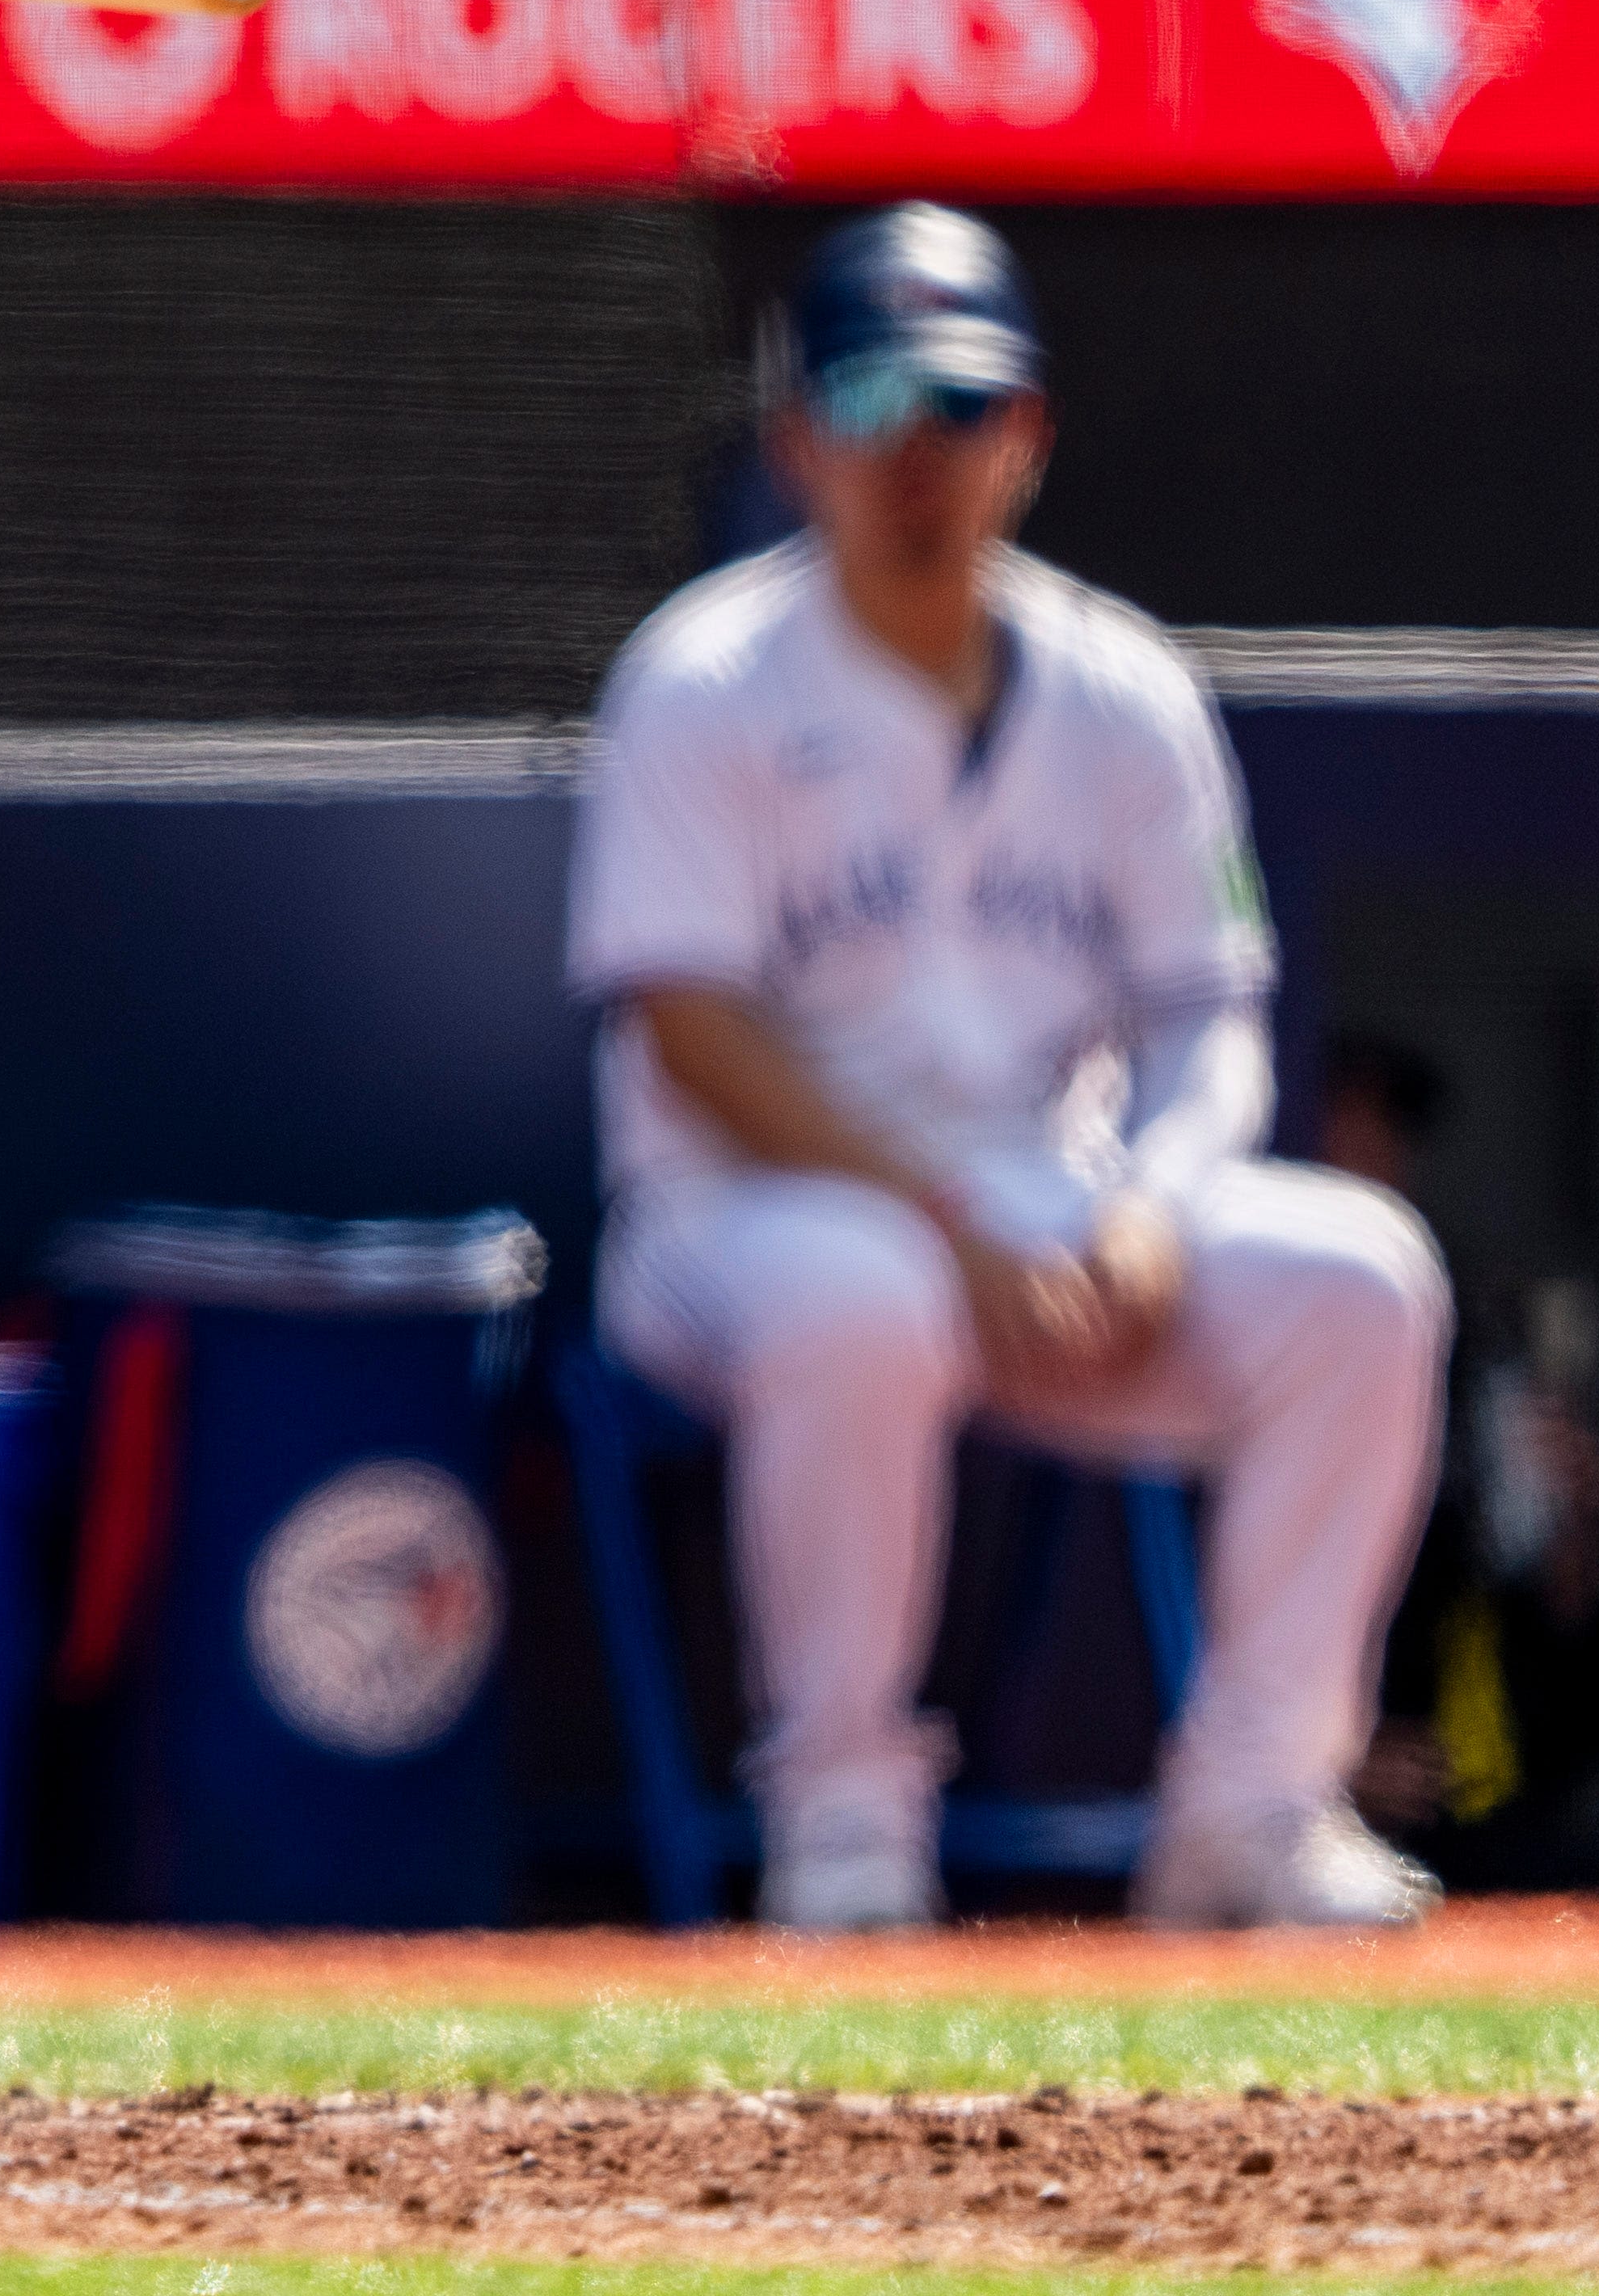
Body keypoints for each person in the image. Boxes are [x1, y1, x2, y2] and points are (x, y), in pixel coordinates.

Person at [574, 204, 1451, 1936]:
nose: (918, 447)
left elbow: (1209, 1011)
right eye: (875, 399)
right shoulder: (702, 679)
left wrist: (1159, 1203)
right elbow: (690, 1026)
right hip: (744, 1223)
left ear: (1027, 433)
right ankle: (841, 1818)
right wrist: (959, 1210)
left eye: (960, 404)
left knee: (1361, 1274)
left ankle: (1254, 1805)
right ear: (797, 436)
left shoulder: (1126, 686)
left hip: (1057, 1220)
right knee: (860, 1288)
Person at [1310, 1030, 1599, 1863]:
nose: (1370, 1153)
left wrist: (1574, 1545)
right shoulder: (1216, 1335)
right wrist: (1316, 1763)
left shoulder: (1470, 1349)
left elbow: (1572, 1696)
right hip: (1278, 1809)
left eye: (1391, 1128)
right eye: (1344, 1122)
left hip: (1462, 1813)